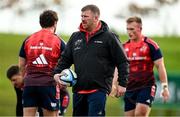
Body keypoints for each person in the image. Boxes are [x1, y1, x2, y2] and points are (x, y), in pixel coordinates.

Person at [53, 4, 129, 116]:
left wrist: (123, 83)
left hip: (99, 90)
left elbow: (122, 61)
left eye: (86, 16)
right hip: (78, 89)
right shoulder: (75, 37)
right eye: (82, 16)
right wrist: (56, 74)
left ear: (96, 18)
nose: (83, 19)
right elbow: (65, 59)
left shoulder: (109, 37)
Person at [116, 16, 170, 116]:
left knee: (140, 113)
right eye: (127, 29)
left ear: (140, 29)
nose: (129, 32)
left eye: (132, 29)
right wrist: (114, 85)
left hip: (146, 86)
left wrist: (165, 87)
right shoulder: (123, 47)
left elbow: (160, 66)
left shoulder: (151, 45)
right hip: (129, 88)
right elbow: (118, 68)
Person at [19, 10, 66, 116]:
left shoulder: (28, 39)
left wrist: (23, 81)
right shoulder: (59, 41)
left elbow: (21, 65)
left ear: (40, 23)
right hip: (49, 85)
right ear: (55, 23)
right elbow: (66, 63)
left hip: (30, 84)